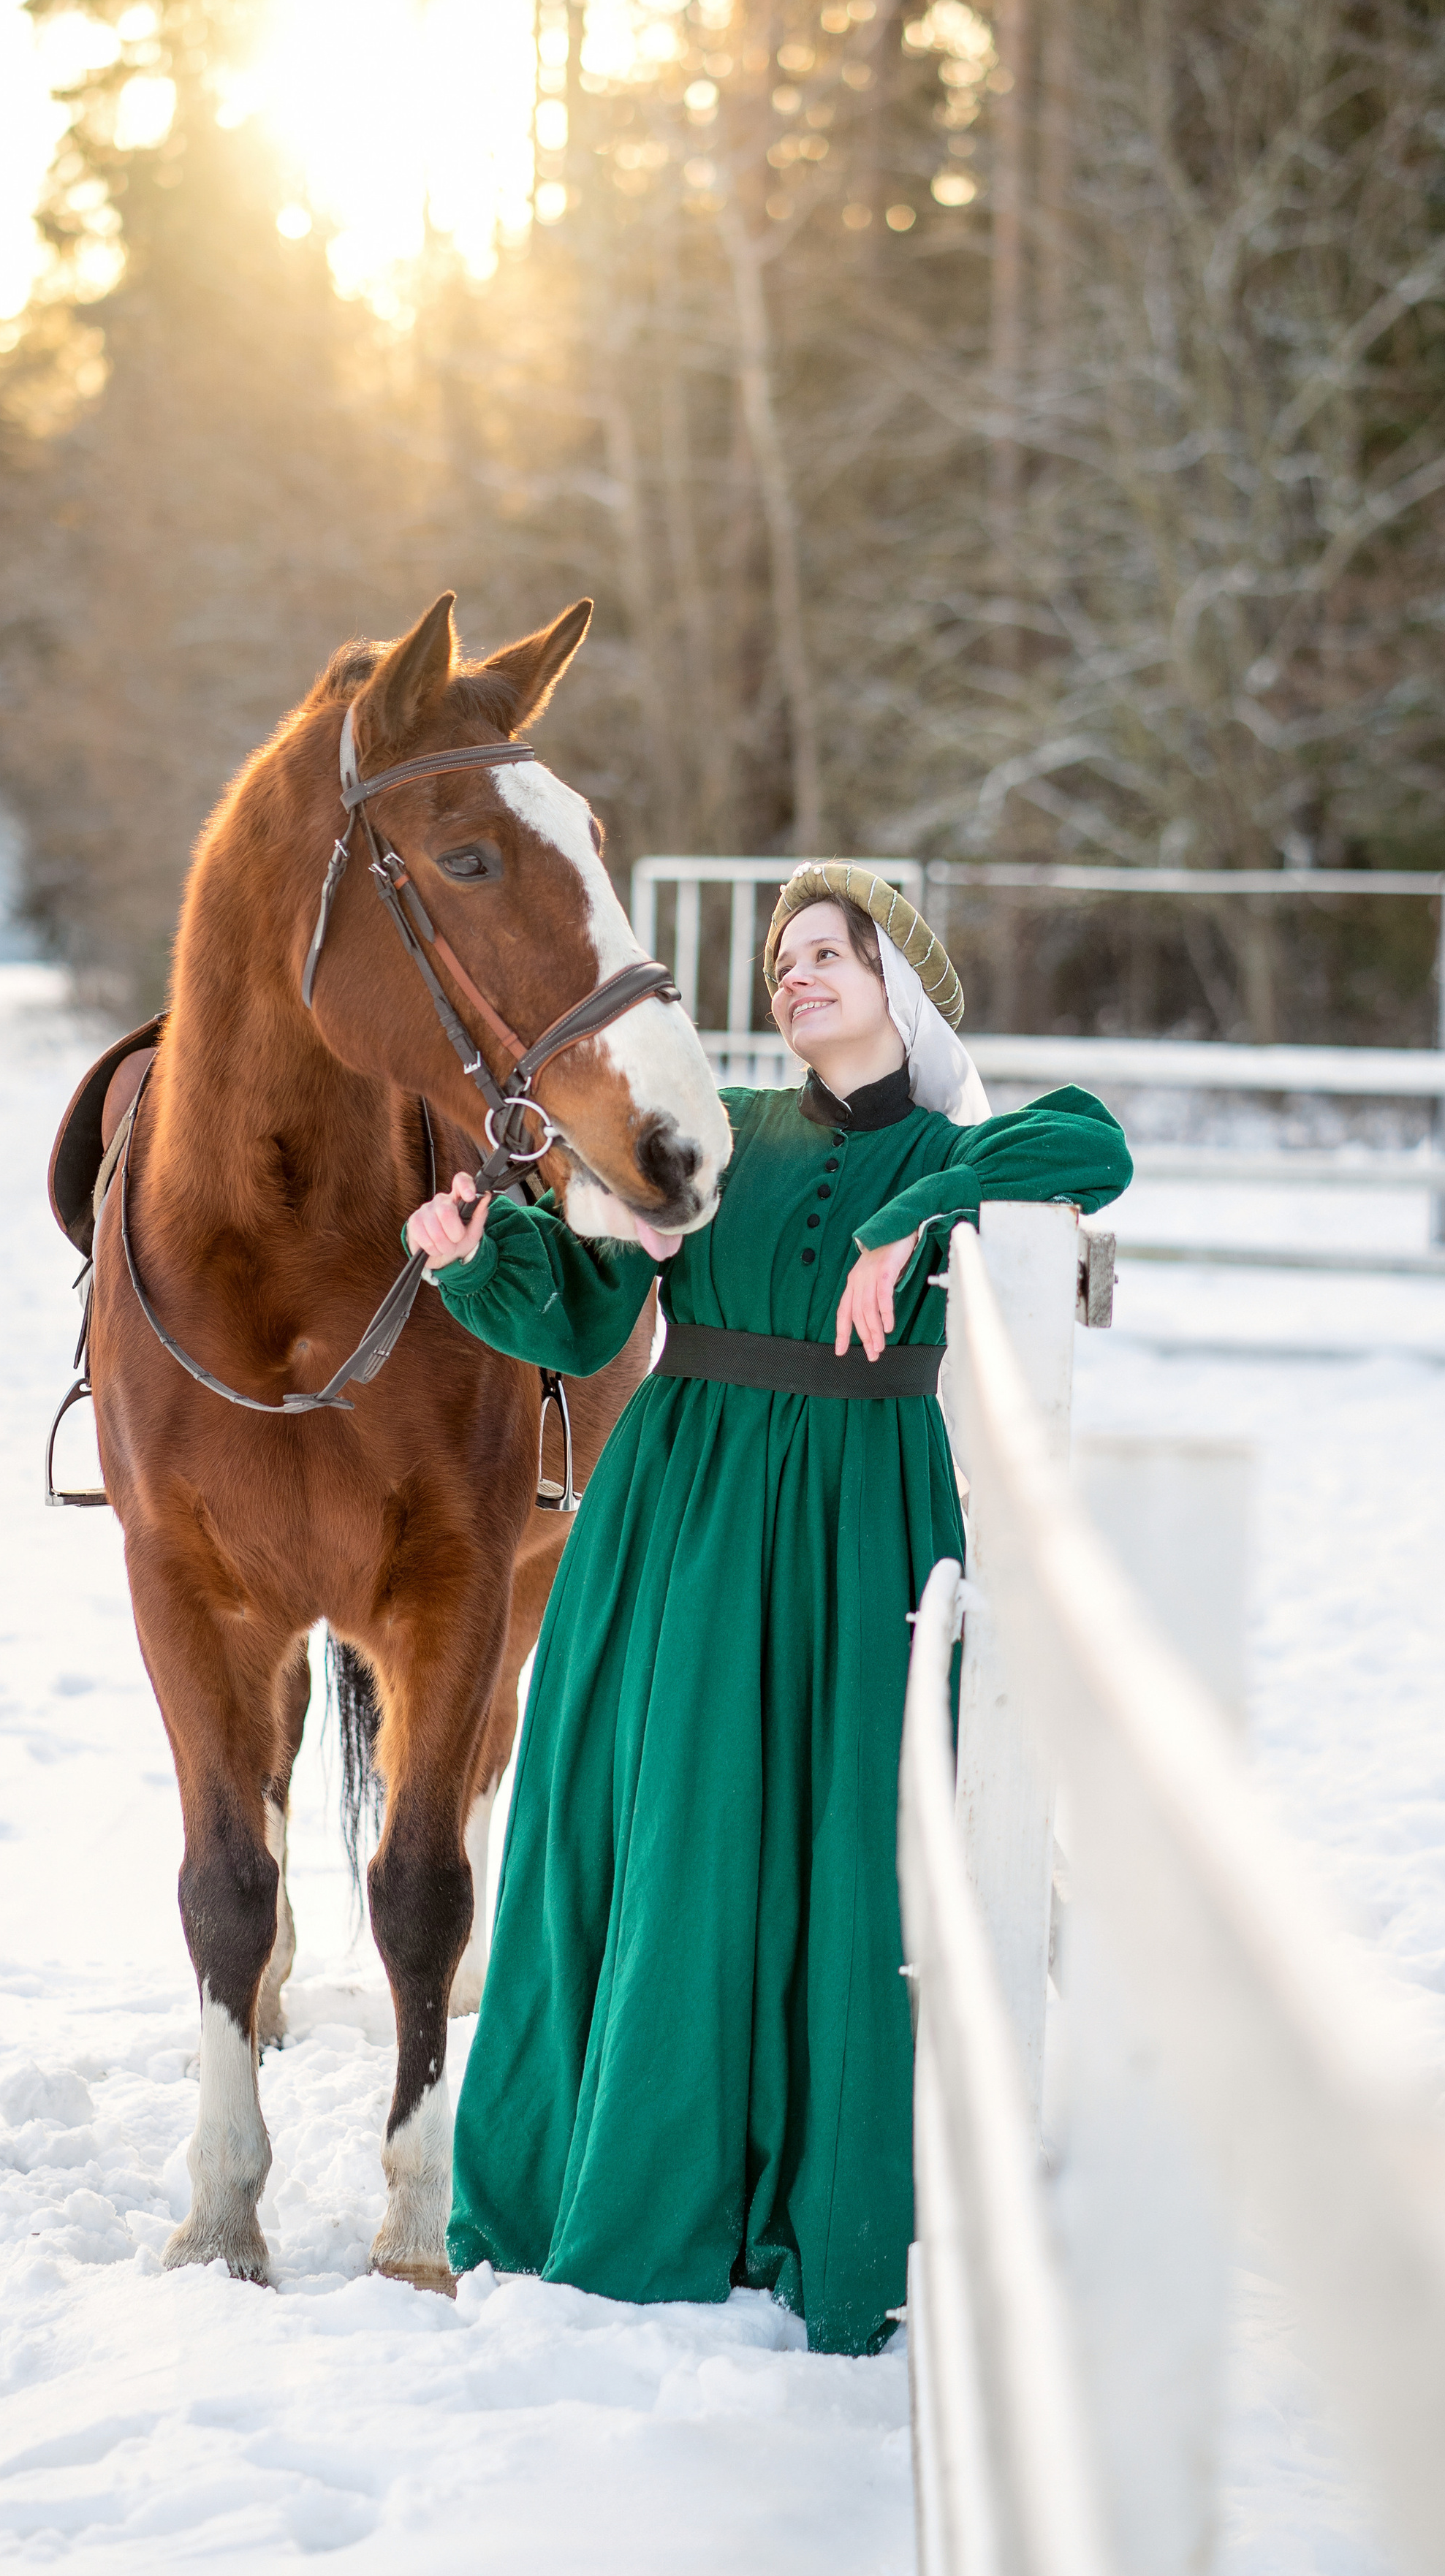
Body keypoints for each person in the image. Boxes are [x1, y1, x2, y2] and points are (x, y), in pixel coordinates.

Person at [403, 860, 1131, 2354]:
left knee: (836, 1842)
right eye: (782, 960)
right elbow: (587, 1316)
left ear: (898, 986)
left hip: (861, 1525)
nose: (793, 976)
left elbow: (1093, 1141)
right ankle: (635, 2181)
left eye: (827, 954)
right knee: (666, 1831)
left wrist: (915, 1213)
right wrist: (485, 1259)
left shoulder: (959, 1145)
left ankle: (801, 2197)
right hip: (678, 1516)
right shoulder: (722, 1130)